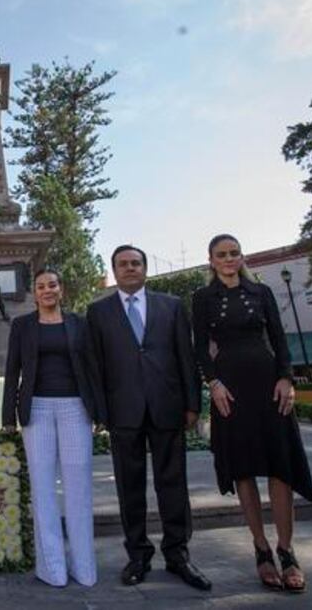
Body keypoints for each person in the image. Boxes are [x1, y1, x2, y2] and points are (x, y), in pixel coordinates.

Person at [192, 234, 312, 593]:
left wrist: (286, 379)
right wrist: (213, 384)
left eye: (234, 253)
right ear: (211, 260)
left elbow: (279, 338)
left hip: (268, 383)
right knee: (243, 469)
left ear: (241, 257)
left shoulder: (261, 292)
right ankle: (261, 548)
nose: (229, 259)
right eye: (221, 255)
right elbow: (199, 348)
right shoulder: (202, 298)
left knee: (281, 467)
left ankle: (287, 550)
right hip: (230, 388)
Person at [86, 245, 211, 591]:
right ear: (114, 271)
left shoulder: (170, 306)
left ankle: (178, 555)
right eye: (123, 264)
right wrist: (99, 411)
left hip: (167, 407)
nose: (130, 268)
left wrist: (192, 404)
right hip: (123, 411)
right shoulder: (98, 312)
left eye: (135, 263)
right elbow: (94, 365)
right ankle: (138, 555)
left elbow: (186, 357)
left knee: (173, 484)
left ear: (145, 268)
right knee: (130, 488)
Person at [1, 268, 105, 587]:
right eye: (41, 286)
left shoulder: (79, 324)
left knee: (78, 487)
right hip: (38, 410)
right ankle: (52, 567)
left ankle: (83, 565)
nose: (47, 290)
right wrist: (8, 417)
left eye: (53, 285)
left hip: (76, 408)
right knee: (43, 487)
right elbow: (12, 371)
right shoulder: (22, 326)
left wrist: (100, 412)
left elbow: (92, 369)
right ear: (35, 293)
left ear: (61, 289)